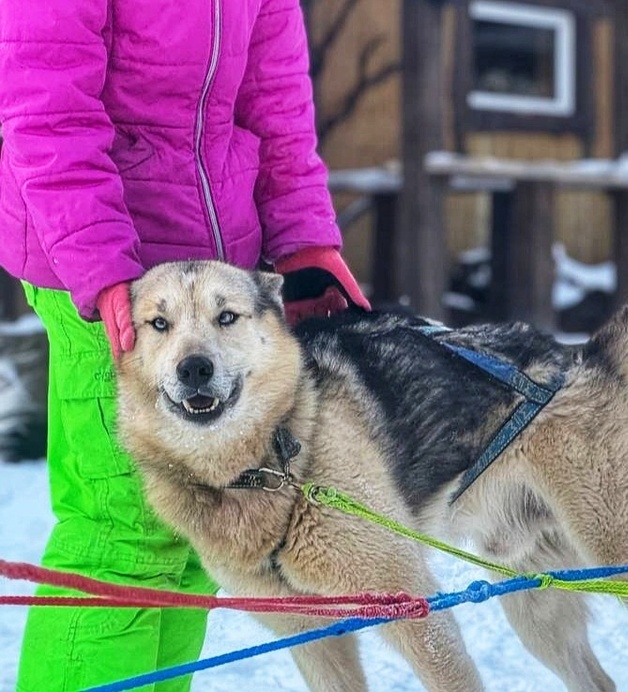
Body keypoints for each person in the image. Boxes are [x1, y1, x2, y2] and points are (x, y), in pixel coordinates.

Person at [0, 1, 370, 689]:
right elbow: (47, 109)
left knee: (198, 529)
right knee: (123, 528)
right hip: (103, 265)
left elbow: (276, 102)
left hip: (216, 268)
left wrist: (303, 238)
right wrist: (103, 267)